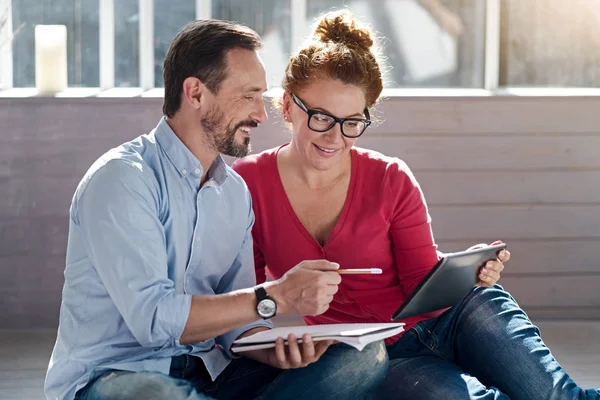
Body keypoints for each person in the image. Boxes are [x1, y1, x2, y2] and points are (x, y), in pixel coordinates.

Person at [232, 10, 600, 400]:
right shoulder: (249, 183)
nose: (335, 137)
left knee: (558, 397)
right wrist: (272, 340)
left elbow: (420, 278)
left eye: (352, 122)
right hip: (379, 356)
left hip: (459, 317)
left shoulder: (391, 177)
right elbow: (251, 297)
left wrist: (463, 273)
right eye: (321, 117)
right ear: (288, 106)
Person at [44, 19, 388, 400]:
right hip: (119, 376)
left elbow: (236, 317)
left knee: (361, 357)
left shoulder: (233, 193)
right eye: (248, 96)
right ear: (195, 93)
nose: (261, 114)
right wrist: (277, 295)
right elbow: (155, 321)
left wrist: (276, 349)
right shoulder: (123, 179)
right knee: (154, 393)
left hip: (210, 374)